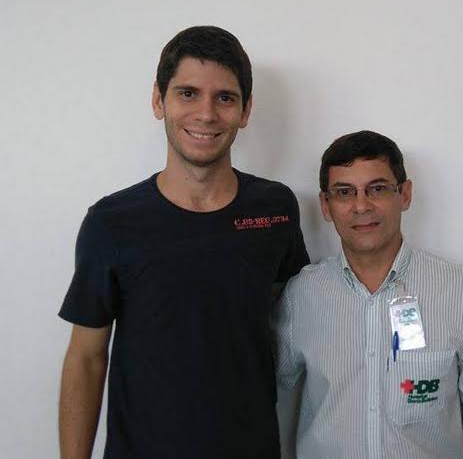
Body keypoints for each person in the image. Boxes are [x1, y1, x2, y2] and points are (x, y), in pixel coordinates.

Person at [58, 26, 309, 459]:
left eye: (224, 97)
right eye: (188, 93)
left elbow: (291, 314)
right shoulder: (112, 222)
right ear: (159, 100)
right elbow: (86, 358)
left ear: (246, 110)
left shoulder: (276, 209)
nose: (206, 114)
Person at [274, 130, 463, 459]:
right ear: (326, 206)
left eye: (377, 189)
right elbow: (268, 389)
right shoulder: (301, 296)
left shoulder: (460, 291)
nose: (361, 206)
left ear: (405, 194)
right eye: (344, 192)